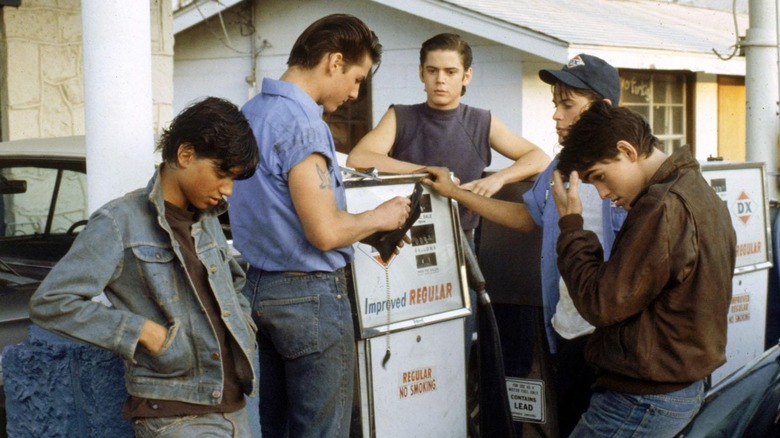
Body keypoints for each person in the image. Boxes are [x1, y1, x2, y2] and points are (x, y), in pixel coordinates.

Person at [29, 96, 260, 437]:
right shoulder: (119, 222)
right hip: (175, 416)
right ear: (185, 154)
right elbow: (51, 302)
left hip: (233, 407)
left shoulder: (207, 219)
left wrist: (244, 323)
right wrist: (142, 332)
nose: (227, 190)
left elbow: (233, 285)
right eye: (222, 174)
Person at [421, 54, 625, 436]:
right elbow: (527, 217)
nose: (556, 116)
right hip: (566, 329)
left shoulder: (632, 172)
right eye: (555, 105)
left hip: (612, 339)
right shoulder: (561, 165)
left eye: (569, 106)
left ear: (606, 110)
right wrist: (456, 194)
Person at [228, 14, 411, 438]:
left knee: (275, 427)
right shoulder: (303, 122)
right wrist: (380, 218)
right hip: (309, 296)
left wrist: (363, 229)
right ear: (334, 61)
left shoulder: (250, 111)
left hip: (257, 289)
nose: (355, 92)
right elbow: (325, 232)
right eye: (357, 77)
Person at [347, 32, 549, 371]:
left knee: (455, 349)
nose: (440, 79)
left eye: (451, 72)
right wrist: (425, 171)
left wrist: (496, 178)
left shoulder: (480, 120)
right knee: (403, 351)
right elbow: (359, 157)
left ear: (466, 76)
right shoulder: (402, 116)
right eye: (432, 70)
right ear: (421, 73)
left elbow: (538, 157)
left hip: (460, 247)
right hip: (405, 248)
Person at [551, 100, 736, 437]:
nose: (604, 194)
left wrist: (572, 229)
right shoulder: (695, 190)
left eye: (600, 177)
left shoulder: (662, 207)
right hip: (676, 387)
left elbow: (601, 303)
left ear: (627, 150)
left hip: (643, 398)